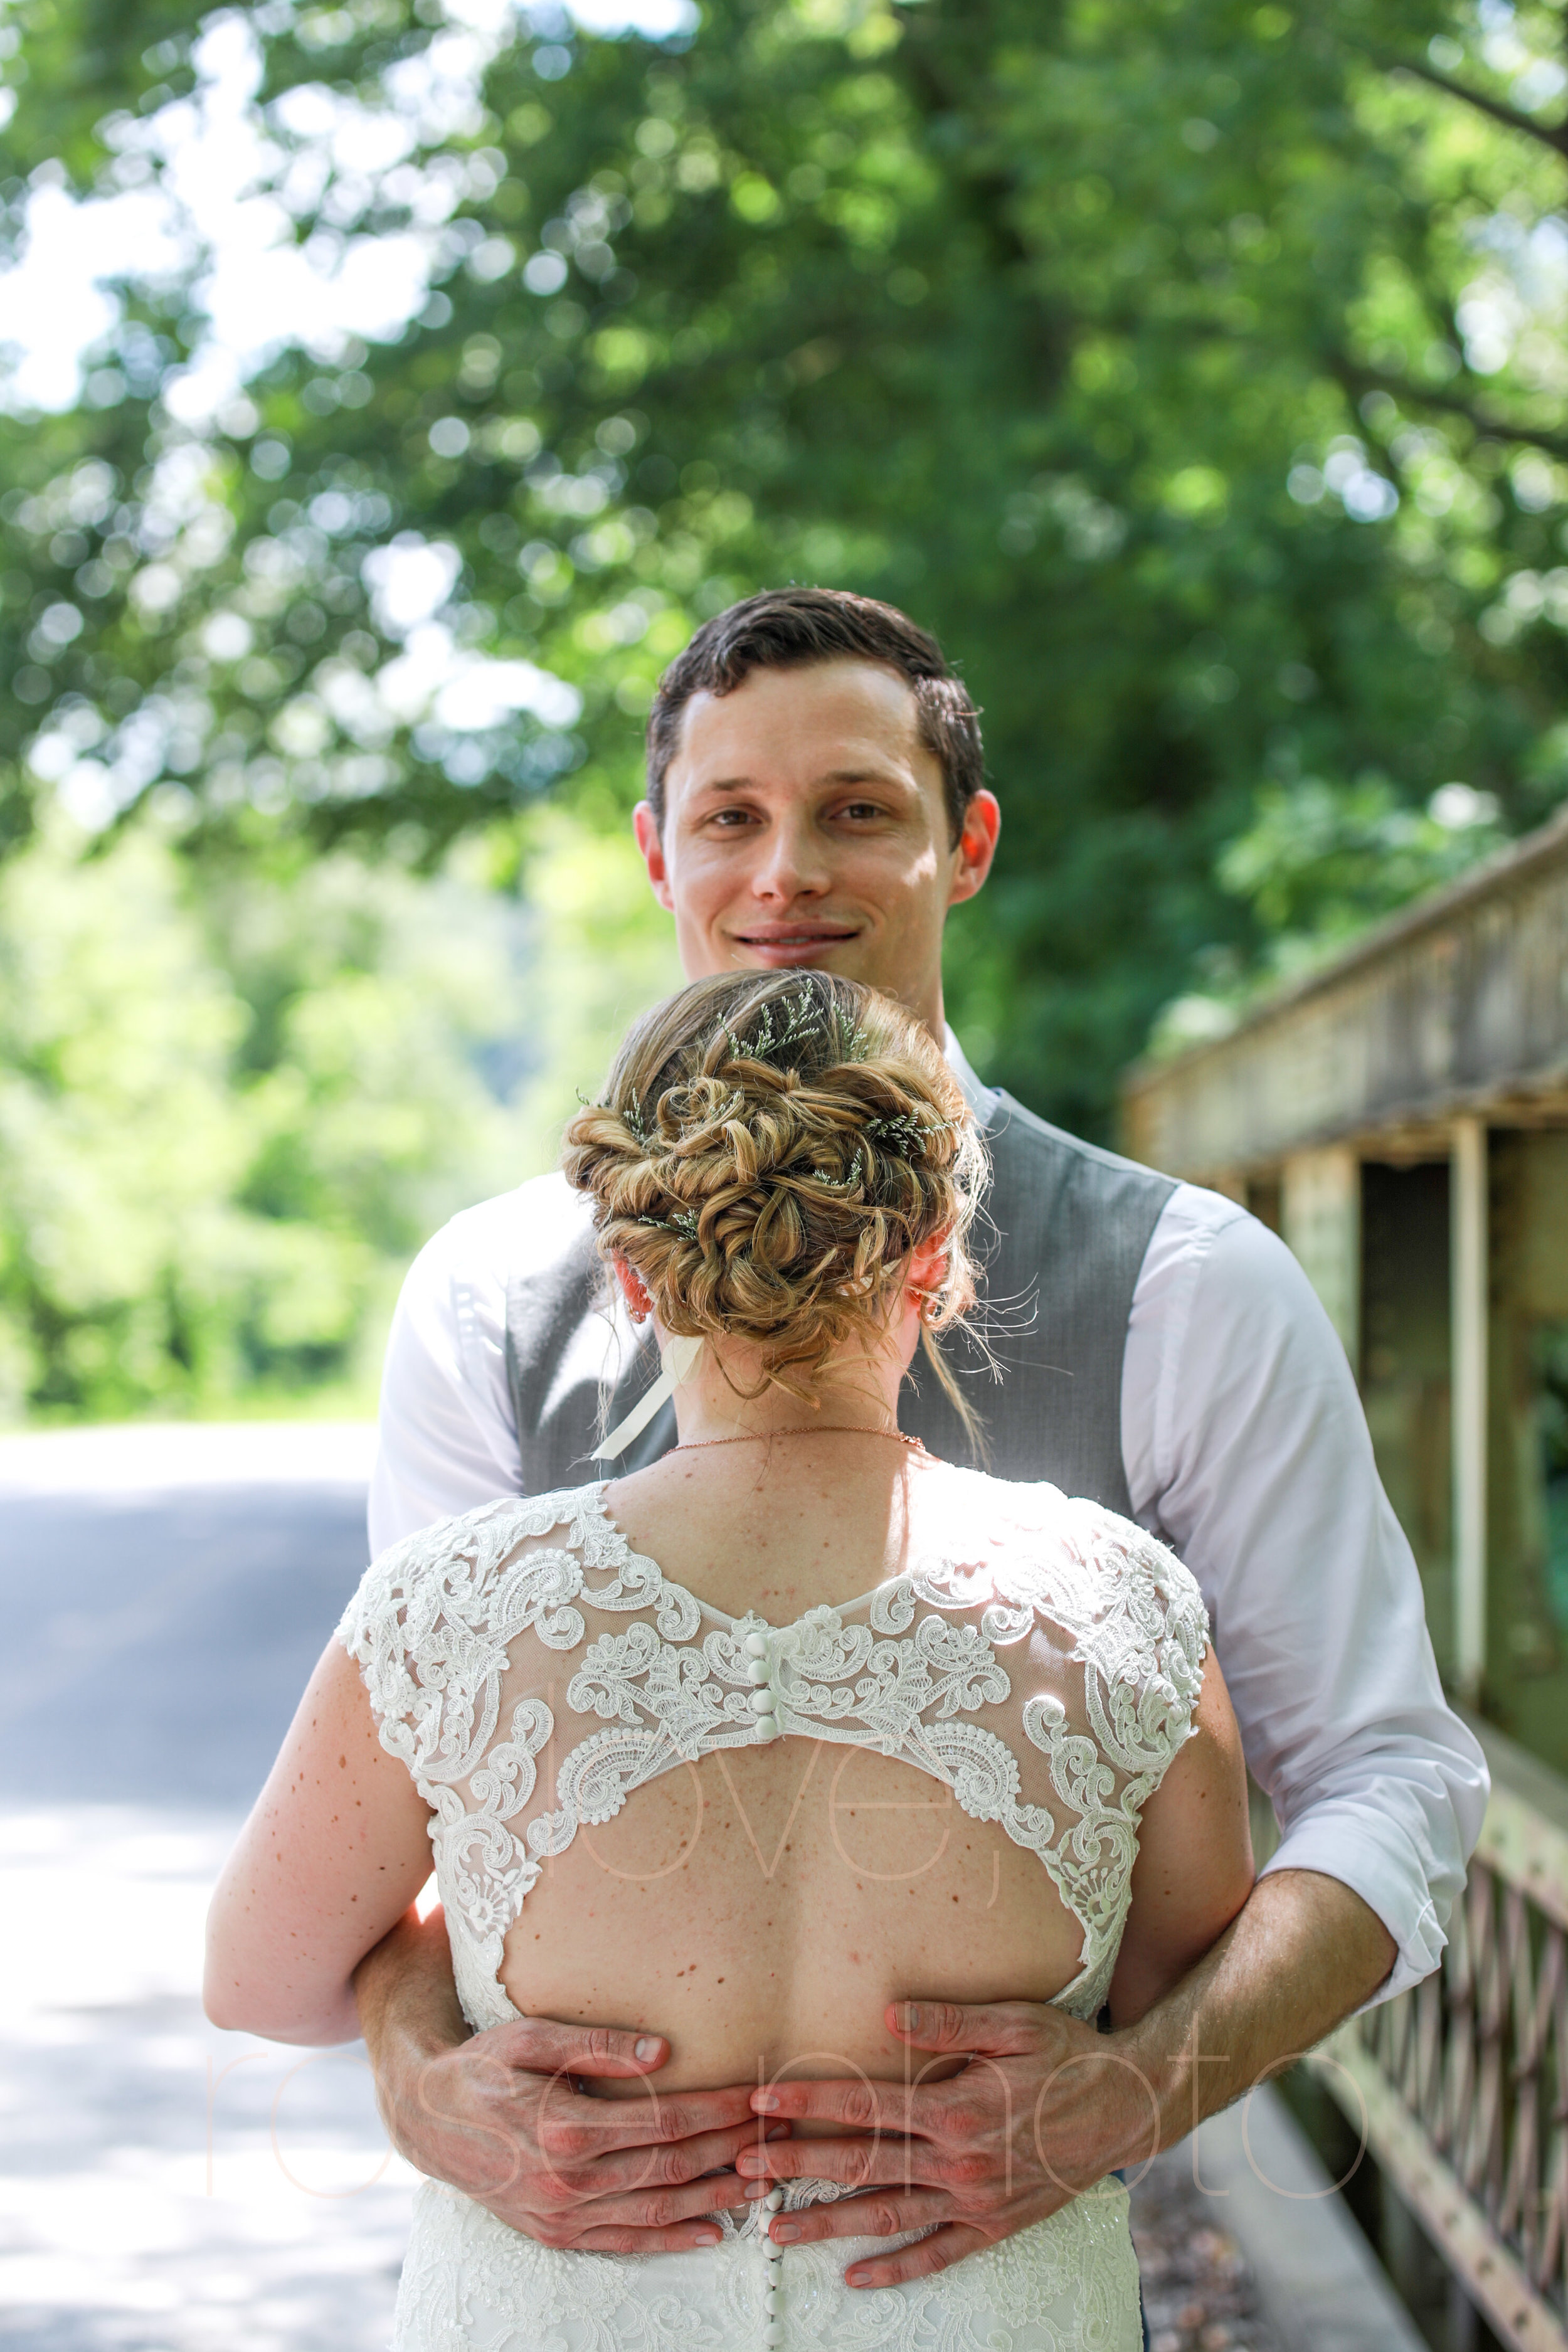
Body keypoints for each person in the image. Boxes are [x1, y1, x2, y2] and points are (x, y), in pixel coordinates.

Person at [352, 588, 1486, 2291]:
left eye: (856, 811)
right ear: (656, 851)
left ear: (964, 844)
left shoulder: (1188, 1286)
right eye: (729, 815)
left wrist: (1131, 2091)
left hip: (981, 2282)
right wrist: (419, 2090)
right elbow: (393, 1826)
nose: (784, 870)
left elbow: (1392, 1777)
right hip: (573, 2285)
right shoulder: (484, 1299)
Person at [206, 968, 1257, 2351]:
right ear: (936, 1254)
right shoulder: (1122, 1605)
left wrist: (423, 2012)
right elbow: (1185, 1985)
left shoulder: (445, 1609)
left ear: (633, 1273)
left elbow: (260, 1980)